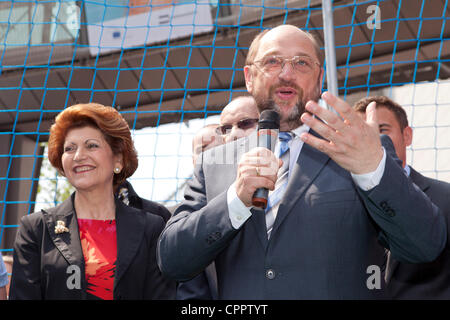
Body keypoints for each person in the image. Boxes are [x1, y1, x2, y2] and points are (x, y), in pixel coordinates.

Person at [157, 24, 446, 299]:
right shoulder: (214, 163)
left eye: (301, 63)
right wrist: (236, 199)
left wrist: (373, 170)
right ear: (248, 77)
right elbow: (172, 260)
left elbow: (425, 244)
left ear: (319, 79)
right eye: (272, 62)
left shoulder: (360, 148)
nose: (286, 73)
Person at [9, 103, 176, 300]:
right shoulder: (35, 229)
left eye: (92, 145)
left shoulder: (152, 226)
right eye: (69, 148)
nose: (79, 156)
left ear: (118, 160)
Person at [354, 95, 450, 299]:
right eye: (362, 132)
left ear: (407, 135)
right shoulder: (338, 202)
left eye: (381, 130)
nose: (371, 139)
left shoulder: (446, 198)